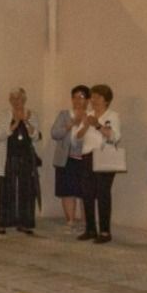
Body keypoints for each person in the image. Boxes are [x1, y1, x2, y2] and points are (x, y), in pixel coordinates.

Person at [76, 84, 125, 244]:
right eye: (93, 96)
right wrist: (85, 124)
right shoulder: (88, 114)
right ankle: (90, 229)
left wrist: (97, 124)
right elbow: (78, 136)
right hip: (87, 156)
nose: (93, 99)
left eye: (97, 96)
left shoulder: (113, 115)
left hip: (104, 156)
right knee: (87, 194)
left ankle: (105, 231)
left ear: (106, 99)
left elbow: (115, 137)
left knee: (103, 194)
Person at [0, 88, 41, 235]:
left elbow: (36, 136)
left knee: (26, 190)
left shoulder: (32, 115)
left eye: (19, 98)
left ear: (24, 100)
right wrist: (15, 123)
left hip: (26, 157)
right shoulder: (5, 114)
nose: (16, 102)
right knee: (6, 190)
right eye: (13, 99)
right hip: (9, 157)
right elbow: (0, 135)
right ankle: (4, 223)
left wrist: (25, 121)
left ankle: (25, 223)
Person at [50, 85, 91, 234]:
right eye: (74, 97)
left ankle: (87, 223)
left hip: (84, 159)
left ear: (87, 100)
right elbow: (54, 133)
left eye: (81, 97)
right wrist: (70, 125)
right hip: (65, 159)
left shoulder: (91, 116)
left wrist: (84, 123)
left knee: (85, 192)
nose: (77, 100)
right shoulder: (64, 114)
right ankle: (70, 221)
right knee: (67, 191)